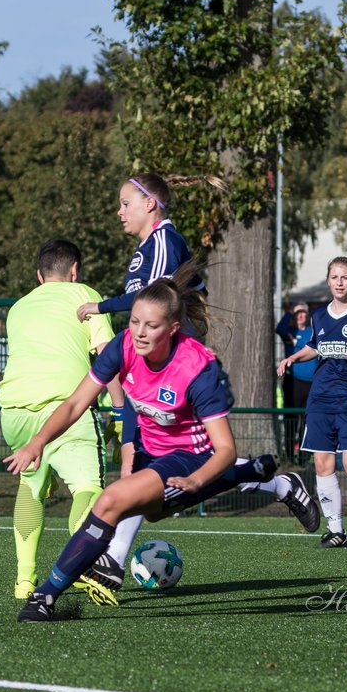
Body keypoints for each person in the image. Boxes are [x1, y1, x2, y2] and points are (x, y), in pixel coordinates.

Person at [8, 264, 319, 622]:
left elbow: (225, 450)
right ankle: (251, 475)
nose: (139, 332)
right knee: (151, 511)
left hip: (189, 454)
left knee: (111, 501)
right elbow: (76, 403)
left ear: (173, 329)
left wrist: (198, 481)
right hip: (150, 448)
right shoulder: (123, 345)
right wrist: (38, 443)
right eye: (135, 321)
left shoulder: (197, 369)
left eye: (151, 326)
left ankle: (44, 596)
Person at [0, 240, 125, 599]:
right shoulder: (84, 295)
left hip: (15, 411)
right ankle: (82, 565)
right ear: (74, 271)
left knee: (31, 487)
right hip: (68, 408)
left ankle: (24, 581)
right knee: (89, 489)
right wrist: (119, 411)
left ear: (40, 276)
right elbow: (107, 357)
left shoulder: (18, 308)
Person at [75, 173, 210, 478]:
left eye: (125, 204)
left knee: (183, 444)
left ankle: (272, 483)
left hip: (171, 355)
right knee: (134, 443)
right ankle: (131, 491)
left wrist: (100, 307)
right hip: (149, 353)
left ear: (150, 204)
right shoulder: (147, 247)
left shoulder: (164, 239)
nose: (119, 212)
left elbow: (154, 298)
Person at [278, 257, 347, 548]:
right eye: (334, 277)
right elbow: (313, 347)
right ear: (328, 280)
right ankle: (336, 530)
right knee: (323, 464)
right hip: (321, 399)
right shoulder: (319, 316)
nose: (339, 282)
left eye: (345, 277)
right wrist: (292, 357)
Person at [277, 302, 317, 462]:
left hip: (310, 384)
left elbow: (312, 347)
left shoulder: (311, 332)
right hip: (293, 382)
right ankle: (288, 456)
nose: (301, 316)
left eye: (303, 313)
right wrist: (290, 312)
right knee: (290, 419)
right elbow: (279, 328)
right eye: (298, 313)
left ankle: (303, 457)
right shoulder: (289, 332)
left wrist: (296, 343)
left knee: (307, 420)